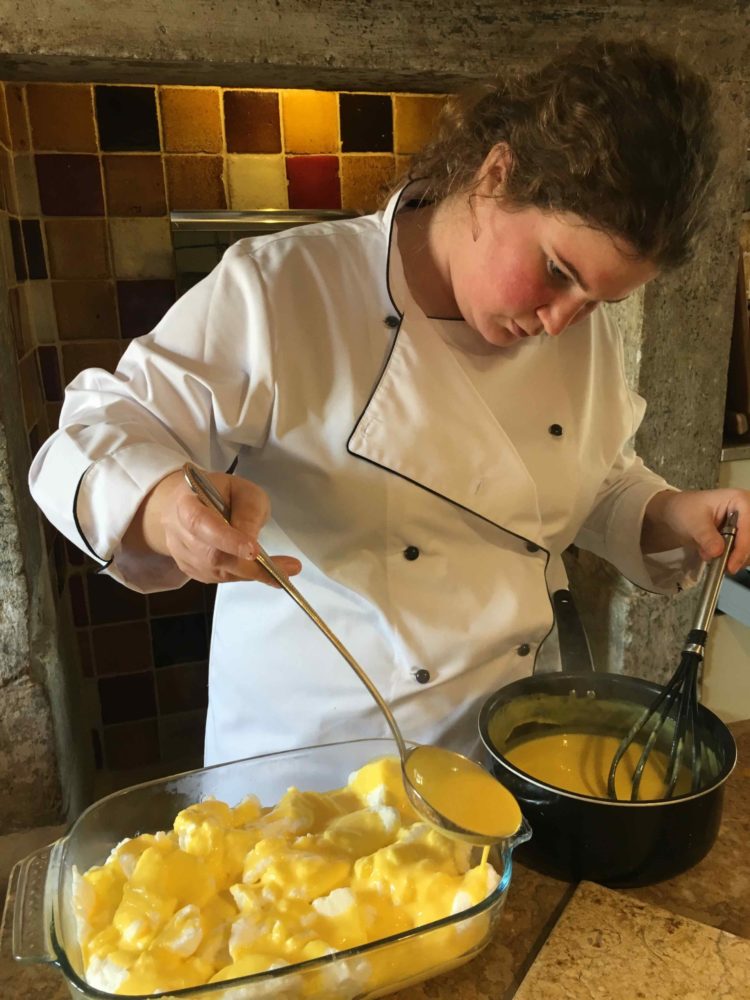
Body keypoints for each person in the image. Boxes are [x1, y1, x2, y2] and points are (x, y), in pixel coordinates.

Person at [29, 38, 750, 767]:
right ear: (497, 176)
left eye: (601, 300)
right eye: (557, 271)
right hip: (316, 776)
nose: (563, 321)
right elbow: (92, 434)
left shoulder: (567, 327)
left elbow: (579, 478)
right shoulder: (285, 288)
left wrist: (668, 514)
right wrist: (162, 507)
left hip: (502, 756)